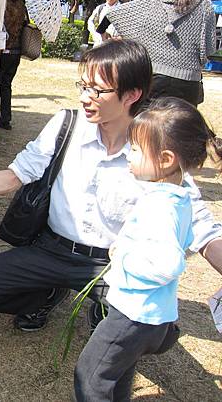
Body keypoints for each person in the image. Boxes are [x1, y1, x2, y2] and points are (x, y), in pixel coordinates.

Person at [0, 39, 222, 336]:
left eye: (97, 90)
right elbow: (16, 174)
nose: (85, 97)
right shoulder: (68, 124)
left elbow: (202, 227)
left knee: (153, 328)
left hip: (112, 265)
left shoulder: (154, 150)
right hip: (51, 249)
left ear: (132, 94)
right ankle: (46, 296)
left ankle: (104, 309)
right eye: (83, 86)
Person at [75, 97, 222, 401]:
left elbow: (168, 264)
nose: (129, 155)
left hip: (132, 314)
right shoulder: (177, 195)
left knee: (90, 376)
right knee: (119, 367)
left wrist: (123, 259)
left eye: (137, 150)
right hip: (153, 314)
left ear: (166, 159)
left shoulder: (160, 206)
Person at [97, 0, 216, 106]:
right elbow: (209, 50)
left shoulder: (151, 0)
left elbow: (115, 13)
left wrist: (102, 30)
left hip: (152, 80)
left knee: (145, 125)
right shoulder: (205, 6)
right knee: (180, 127)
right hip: (188, 84)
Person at [0, 0, 29, 130]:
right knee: (6, 85)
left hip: (2, 50)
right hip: (16, 51)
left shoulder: (1, 4)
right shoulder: (21, 5)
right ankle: (5, 119)